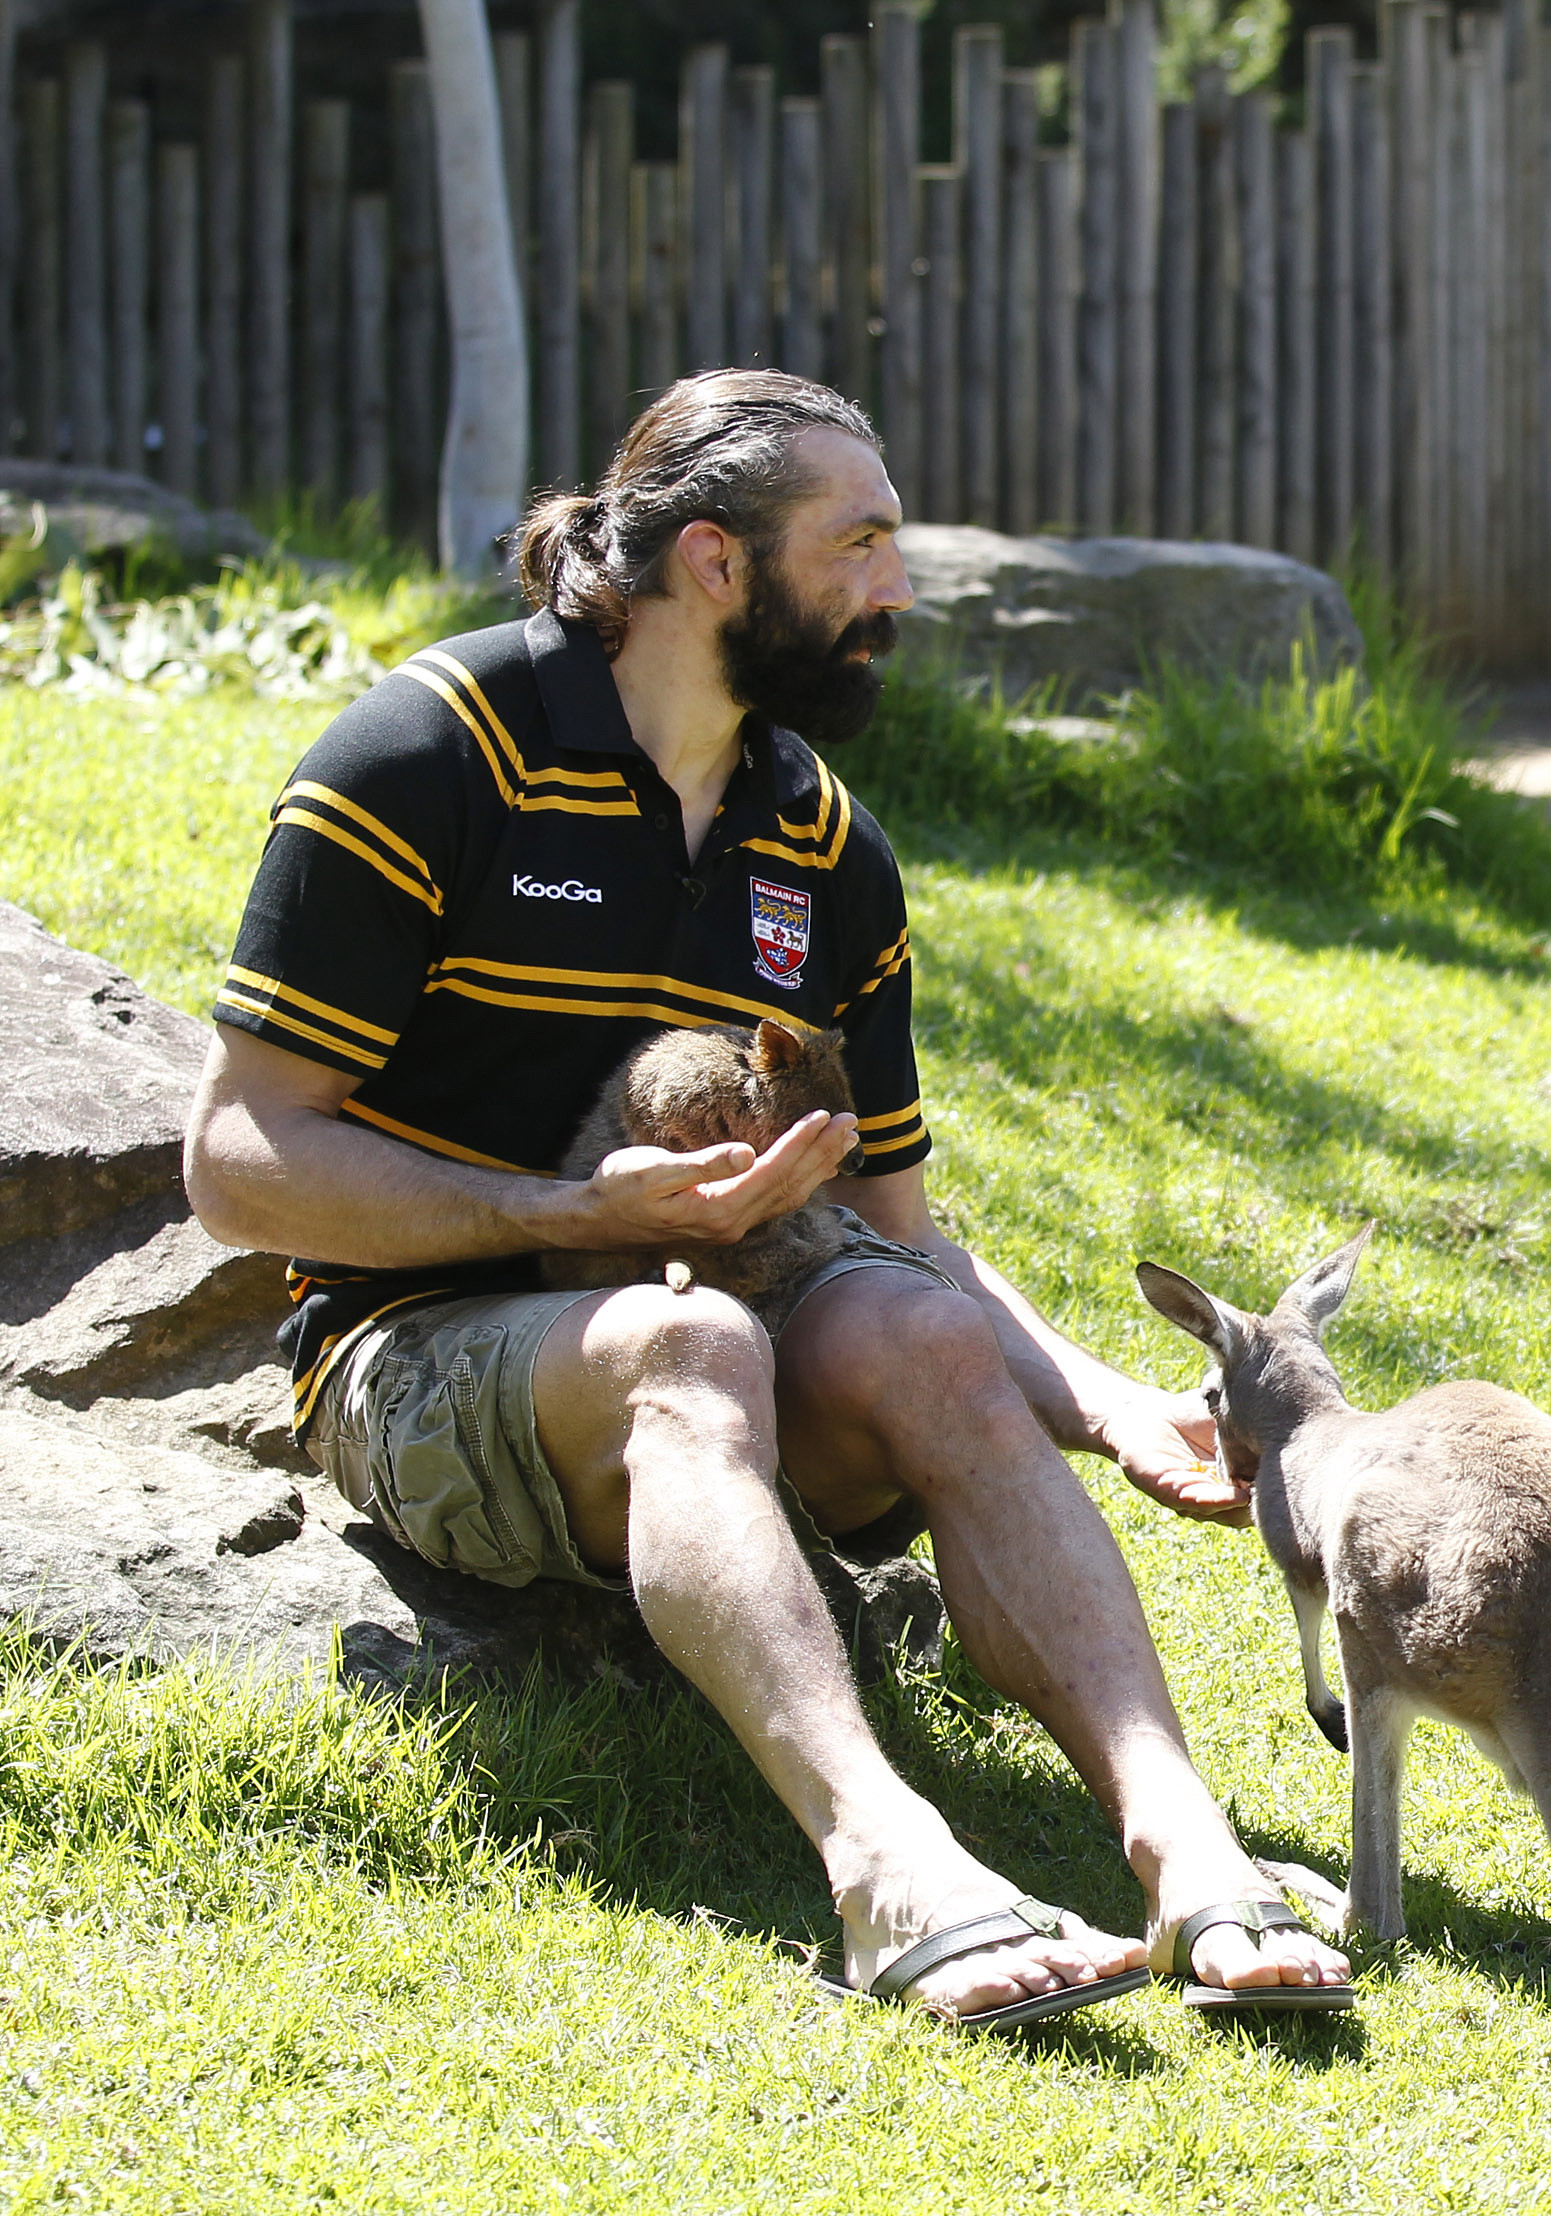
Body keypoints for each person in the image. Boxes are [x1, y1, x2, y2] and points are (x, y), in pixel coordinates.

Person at [182, 370, 1353, 2026]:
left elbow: (901, 1221)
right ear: (716, 564)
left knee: (919, 1332)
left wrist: (1099, 1401)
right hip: (423, 1342)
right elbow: (233, 1160)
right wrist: (565, 1215)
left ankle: (1185, 1845)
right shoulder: (428, 755)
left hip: (734, 1322)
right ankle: (887, 1863)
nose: (897, 590)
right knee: (695, 1352)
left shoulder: (820, 841)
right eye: (860, 544)